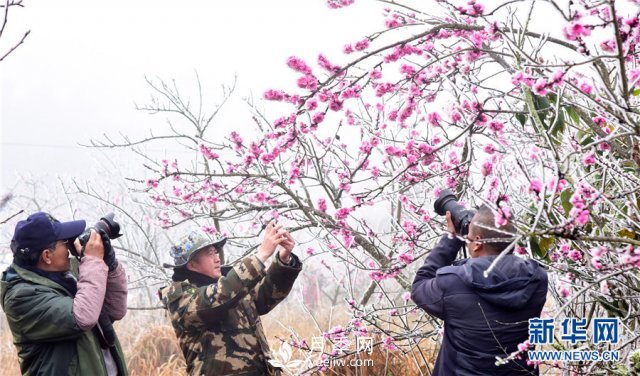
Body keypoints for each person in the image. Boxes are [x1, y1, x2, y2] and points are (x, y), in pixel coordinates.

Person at [411, 206, 548, 375]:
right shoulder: (538, 278)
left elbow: (419, 286)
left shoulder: (453, 282)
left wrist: (452, 238)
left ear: (477, 243)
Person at [159, 221, 302, 376]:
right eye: (210, 254)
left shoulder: (232, 288)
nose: (217, 258)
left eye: (216, 252)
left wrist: (283, 260)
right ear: (192, 265)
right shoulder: (181, 298)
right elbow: (216, 298)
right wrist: (261, 255)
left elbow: (264, 298)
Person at [1, 212, 129, 376]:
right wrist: (92, 261)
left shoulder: (69, 274)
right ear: (47, 255)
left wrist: (108, 263)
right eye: (64, 242)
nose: (70, 247)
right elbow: (82, 317)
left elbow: (115, 310)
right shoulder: (20, 297)